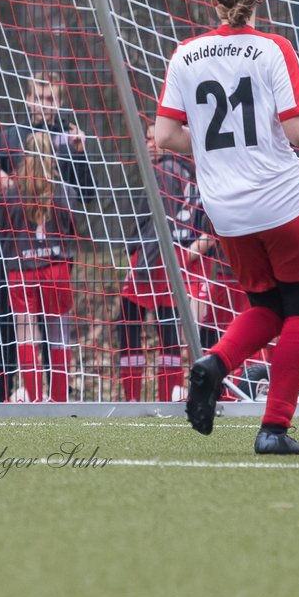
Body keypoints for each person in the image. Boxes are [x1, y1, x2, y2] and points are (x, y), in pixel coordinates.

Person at [154, 0, 299, 454]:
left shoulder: (185, 54)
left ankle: (213, 364)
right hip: (281, 200)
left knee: (265, 305)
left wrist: (224, 146)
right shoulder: (273, 48)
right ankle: (274, 428)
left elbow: (165, 135)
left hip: (226, 210)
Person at [0, 72, 96, 401]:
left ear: (60, 102)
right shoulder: (10, 137)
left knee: (52, 326)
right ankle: (3, 392)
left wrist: (81, 153)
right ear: (27, 98)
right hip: (12, 250)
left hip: (55, 253)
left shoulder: (70, 140)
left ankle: (54, 393)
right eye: (38, 97)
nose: (44, 105)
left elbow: (87, 194)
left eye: (51, 99)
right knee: (7, 321)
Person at [115, 125, 210, 402]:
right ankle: (170, 397)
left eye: (155, 138)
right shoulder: (193, 170)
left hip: (157, 260)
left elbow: (159, 227)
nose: (149, 144)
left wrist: (141, 263)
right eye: (145, 137)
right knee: (169, 329)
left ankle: (133, 399)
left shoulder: (165, 171)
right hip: (176, 260)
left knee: (128, 323)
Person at [0, 131, 79, 402]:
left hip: (22, 268)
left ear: (24, 156)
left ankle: (34, 398)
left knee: (26, 333)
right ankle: (59, 399)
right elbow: (73, 229)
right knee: (58, 334)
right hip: (56, 267)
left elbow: (3, 230)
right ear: (53, 157)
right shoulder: (64, 190)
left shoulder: (12, 191)